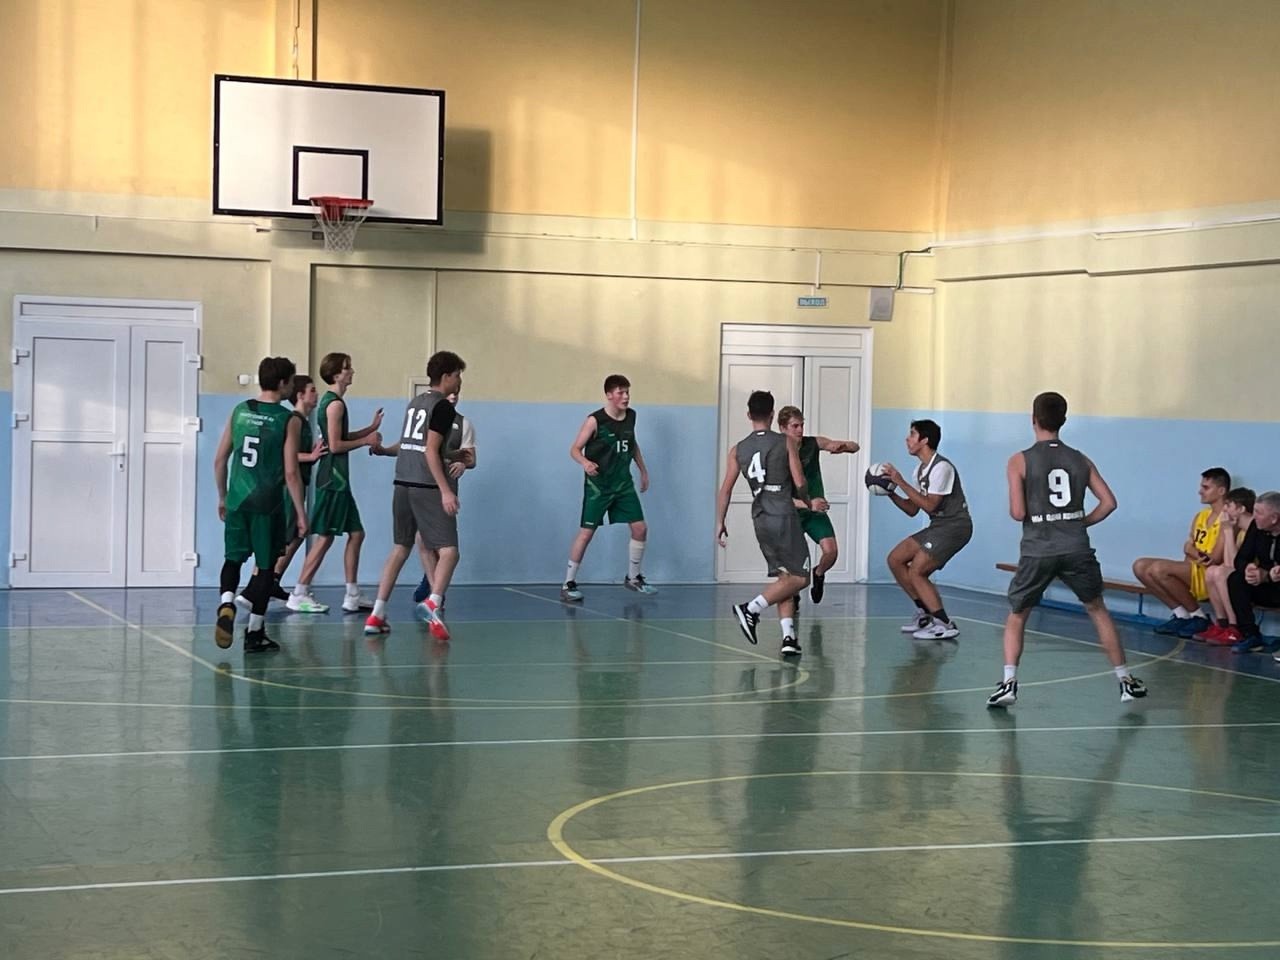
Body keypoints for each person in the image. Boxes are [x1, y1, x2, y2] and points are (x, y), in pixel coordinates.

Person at [987, 392, 1147, 707]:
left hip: (1038, 548)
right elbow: (1109, 503)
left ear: (1033, 419)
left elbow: (1018, 513)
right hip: (1076, 546)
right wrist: (1079, 522)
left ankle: (1009, 683)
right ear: (1063, 420)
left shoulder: (1019, 460)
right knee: (1097, 609)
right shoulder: (1080, 459)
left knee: (1017, 615)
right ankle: (1125, 681)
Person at [364, 351, 467, 640]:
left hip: (402, 483)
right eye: (457, 375)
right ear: (446, 376)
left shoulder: (415, 403)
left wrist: (384, 451)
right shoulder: (443, 407)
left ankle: (377, 614)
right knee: (449, 551)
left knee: (400, 547)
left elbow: (410, 444)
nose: (459, 381)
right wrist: (445, 490)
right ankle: (433, 603)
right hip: (426, 485)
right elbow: (430, 450)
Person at [213, 356, 307, 653]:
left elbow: (219, 460)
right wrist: (301, 513)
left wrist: (222, 497)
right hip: (268, 503)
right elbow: (291, 472)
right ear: (282, 383)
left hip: (238, 499)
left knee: (233, 559)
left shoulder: (240, 411)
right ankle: (255, 633)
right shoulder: (289, 419)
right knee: (266, 568)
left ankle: (226, 603)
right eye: (291, 381)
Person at [715, 390, 812, 657]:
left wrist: (720, 521)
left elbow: (725, 489)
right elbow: (800, 482)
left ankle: (789, 637)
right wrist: (807, 501)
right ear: (772, 414)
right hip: (782, 513)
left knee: (785, 577)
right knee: (802, 577)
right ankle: (751, 608)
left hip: (760, 516)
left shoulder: (738, 449)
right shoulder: (785, 442)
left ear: (749, 415)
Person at [287, 352, 383, 614]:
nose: (352, 371)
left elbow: (340, 435)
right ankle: (299, 591)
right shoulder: (334, 405)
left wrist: (370, 428)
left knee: (357, 534)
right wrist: (365, 441)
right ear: (337, 374)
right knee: (325, 537)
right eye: (347, 368)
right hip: (332, 480)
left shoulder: (335, 403)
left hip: (340, 480)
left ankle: (352, 594)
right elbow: (336, 445)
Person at [872, 419, 972, 640]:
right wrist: (889, 491)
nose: (907, 439)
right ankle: (925, 613)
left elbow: (930, 505)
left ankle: (944, 623)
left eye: (912, 434)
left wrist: (900, 481)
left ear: (924, 440)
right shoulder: (919, 470)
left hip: (956, 527)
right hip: (938, 526)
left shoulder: (942, 468)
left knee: (917, 571)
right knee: (895, 559)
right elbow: (912, 509)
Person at [560, 374, 656, 602]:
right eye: (621, 392)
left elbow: (632, 444)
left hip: (623, 484)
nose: (626, 396)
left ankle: (633, 578)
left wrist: (643, 470)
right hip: (599, 486)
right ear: (609, 395)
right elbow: (574, 449)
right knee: (586, 533)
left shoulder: (631, 416)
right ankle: (568, 583)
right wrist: (585, 462)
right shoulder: (594, 421)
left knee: (640, 528)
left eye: (627, 392)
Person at [1132, 467, 1231, 637]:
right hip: (1195, 569)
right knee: (1140, 566)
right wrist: (1191, 552)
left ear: (1221, 491)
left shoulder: (1227, 519)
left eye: (1206, 487)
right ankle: (1181, 614)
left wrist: (1191, 550)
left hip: (1213, 576)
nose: (1200, 491)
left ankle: (1199, 617)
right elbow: (1187, 550)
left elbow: (1213, 558)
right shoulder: (1201, 516)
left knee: (1159, 569)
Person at [776, 405, 860, 603]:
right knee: (794, 563)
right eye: (795, 426)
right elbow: (778, 497)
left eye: (801, 425)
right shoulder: (776, 454)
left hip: (814, 511)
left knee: (831, 552)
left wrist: (845, 447)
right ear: (782, 428)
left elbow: (854, 446)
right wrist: (808, 504)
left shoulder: (812, 443)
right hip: (791, 513)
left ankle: (819, 573)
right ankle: (793, 595)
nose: (800, 430)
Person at [413, 387, 476, 605]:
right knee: (422, 539)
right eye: (451, 393)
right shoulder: (426, 419)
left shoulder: (463, 424)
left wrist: (463, 463)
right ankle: (433, 587)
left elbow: (471, 459)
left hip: (445, 488)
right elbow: (412, 448)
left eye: (457, 393)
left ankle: (435, 593)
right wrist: (384, 450)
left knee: (445, 546)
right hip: (422, 484)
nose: (454, 396)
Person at [1193, 487, 1255, 645]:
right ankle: (1222, 624)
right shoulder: (1239, 530)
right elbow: (1229, 564)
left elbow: (1234, 567)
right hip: (1239, 577)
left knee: (1221, 573)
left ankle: (1235, 627)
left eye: (1228, 505)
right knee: (1212, 571)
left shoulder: (1253, 531)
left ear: (1241, 509)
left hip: (1252, 580)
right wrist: (1228, 531)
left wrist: (1227, 530)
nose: (1224, 510)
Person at [1223, 490, 1280, 655]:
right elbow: (1240, 559)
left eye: (1259, 513)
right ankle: (1250, 634)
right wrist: (1248, 568)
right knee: (1235, 579)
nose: (1254, 516)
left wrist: (1268, 576)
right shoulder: (1256, 527)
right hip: (1264, 586)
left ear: (1274, 518)